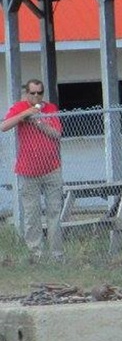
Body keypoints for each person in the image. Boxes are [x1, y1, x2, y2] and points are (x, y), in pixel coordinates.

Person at [1, 79, 64, 262]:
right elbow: (4, 126)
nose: (36, 96)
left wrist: (39, 122)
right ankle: (36, 254)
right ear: (26, 93)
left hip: (51, 169)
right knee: (32, 214)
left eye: (40, 93)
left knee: (54, 213)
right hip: (28, 171)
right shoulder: (20, 107)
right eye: (33, 93)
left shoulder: (50, 109)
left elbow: (57, 134)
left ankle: (57, 255)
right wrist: (26, 114)